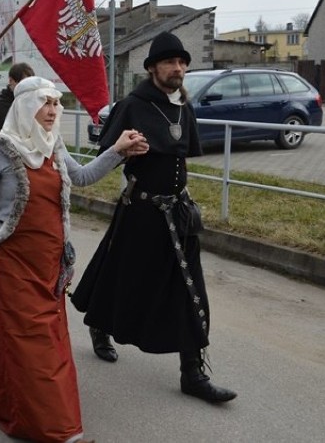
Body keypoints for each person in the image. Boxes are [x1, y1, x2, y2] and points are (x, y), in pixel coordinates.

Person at [0, 77, 147, 443]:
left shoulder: (54, 146)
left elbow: (83, 177)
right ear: (26, 106)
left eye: (57, 104)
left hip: (51, 261)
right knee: (29, 340)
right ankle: (54, 423)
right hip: (13, 261)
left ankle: (24, 400)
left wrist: (117, 150)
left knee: (49, 339)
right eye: (47, 103)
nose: (54, 111)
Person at [70, 31, 238, 403]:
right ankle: (99, 325)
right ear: (152, 68)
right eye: (169, 62)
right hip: (141, 211)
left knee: (189, 286)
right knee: (120, 275)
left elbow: (180, 153)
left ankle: (192, 373)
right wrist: (128, 152)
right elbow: (111, 152)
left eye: (182, 62)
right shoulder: (133, 105)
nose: (177, 68)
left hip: (177, 212)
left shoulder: (183, 106)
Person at [0, 62, 35, 142]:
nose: (27, 87)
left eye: (30, 83)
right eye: (23, 83)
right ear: (11, 81)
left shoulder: (36, 104)